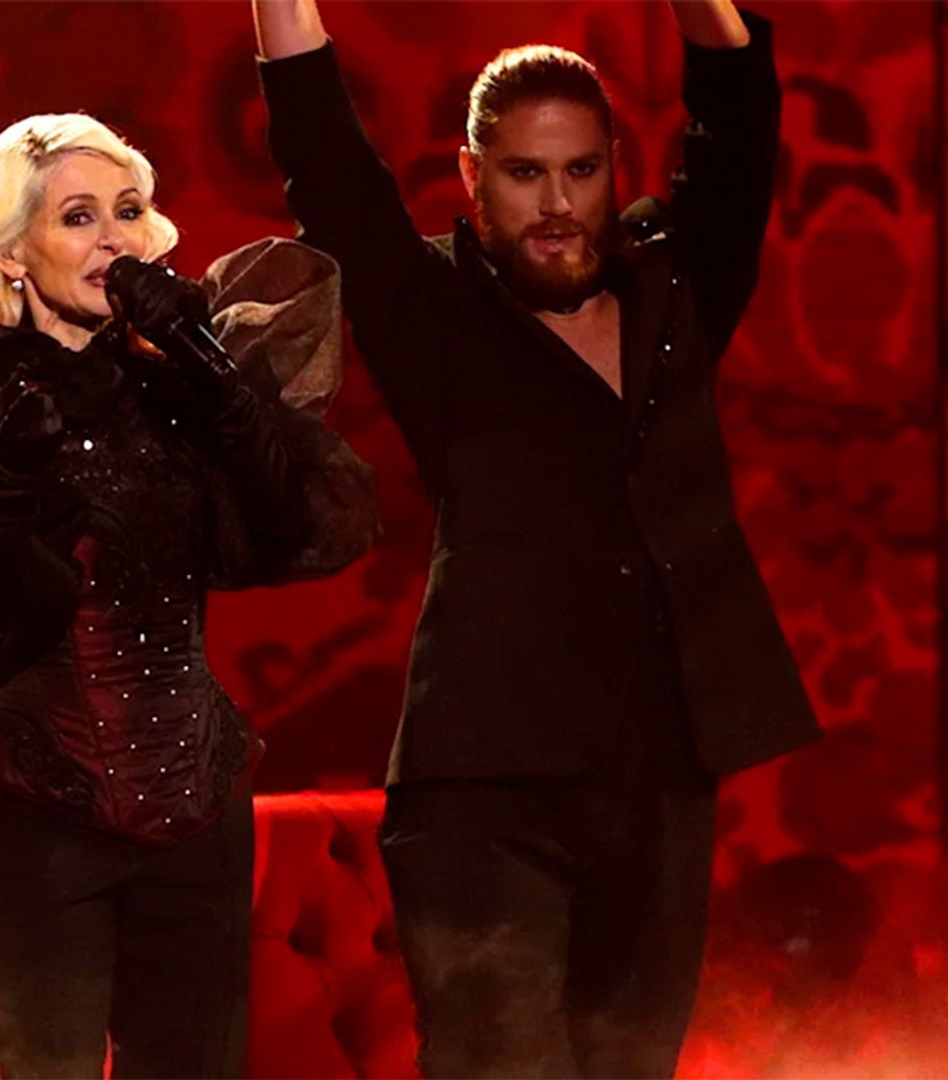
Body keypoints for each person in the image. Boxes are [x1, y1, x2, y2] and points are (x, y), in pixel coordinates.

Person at [251, 1, 822, 1076]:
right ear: (472, 176)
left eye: (580, 171)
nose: (557, 205)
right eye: (524, 174)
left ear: (613, 169)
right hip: (484, 791)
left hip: (661, 782)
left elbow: (740, 113)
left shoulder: (676, 287)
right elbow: (324, 159)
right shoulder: (432, 309)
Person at [0, 113, 376, 1078]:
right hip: (41, 818)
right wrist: (6, 493)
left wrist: (212, 376)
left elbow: (294, 529)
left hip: (200, 807)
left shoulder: (177, 390)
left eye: (128, 212)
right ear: (13, 252)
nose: (113, 240)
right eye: (79, 217)